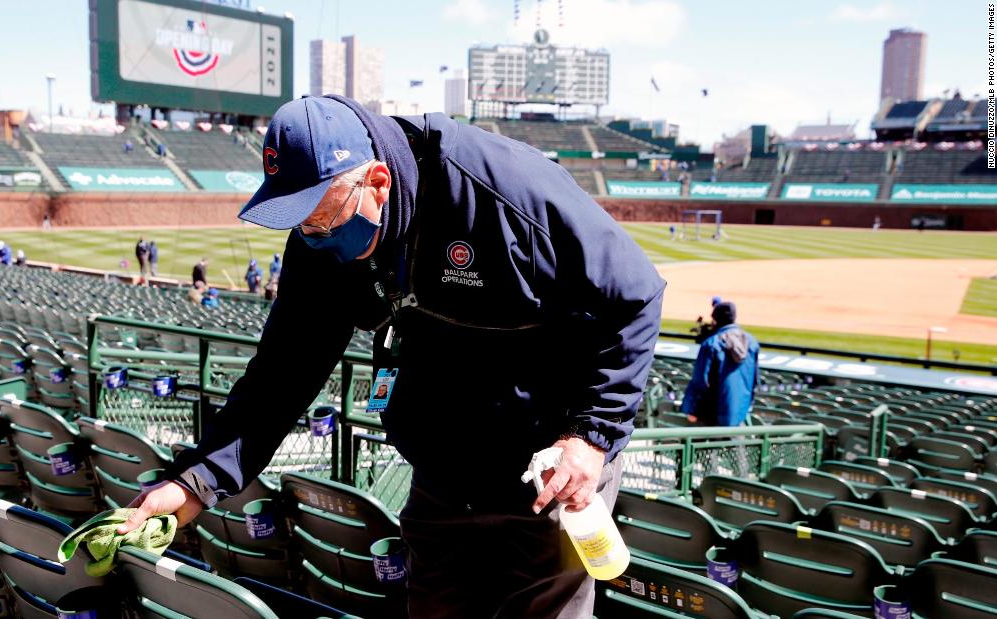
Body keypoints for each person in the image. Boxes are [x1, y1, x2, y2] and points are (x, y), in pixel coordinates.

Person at [121, 95, 665, 619]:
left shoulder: (503, 188)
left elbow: (635, 295)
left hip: (548, 470)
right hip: (444, 475)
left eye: (321, 221)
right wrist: (197, 480)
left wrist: (591, 437)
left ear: (378, 182)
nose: (312, 237)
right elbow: (284, 368)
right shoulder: (321, 228)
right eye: (299, 223)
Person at [680, 302, 760, 427]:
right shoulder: (752, 342)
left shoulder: (711, 343)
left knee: (708, 446)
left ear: (715, 319)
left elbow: (700, 381)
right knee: (734, 446)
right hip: (739, 415)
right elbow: (755, 381)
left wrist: (691, 409)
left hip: (711, 417)